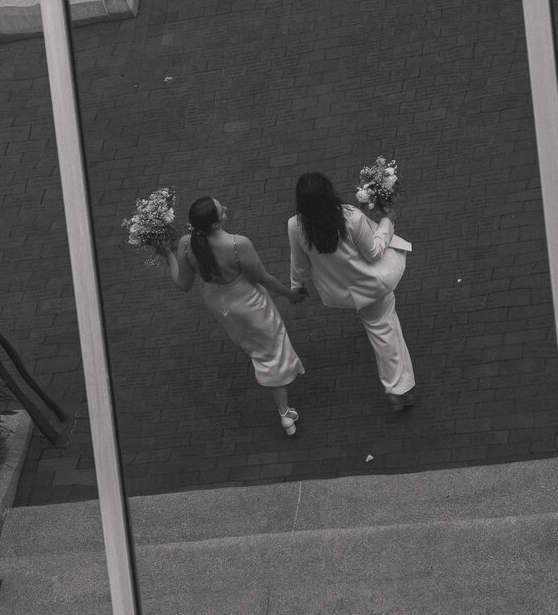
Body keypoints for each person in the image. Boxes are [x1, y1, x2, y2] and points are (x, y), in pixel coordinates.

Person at [168, 196, 305, 435]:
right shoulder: (237, 244)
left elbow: (183, 284)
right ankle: (284, 413)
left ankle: (283, 408)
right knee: (271, 351)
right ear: (214, 224)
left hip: (218, 302)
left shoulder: (185, 244)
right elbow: (263, 278)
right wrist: (290, 294)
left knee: (251, 343)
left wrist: (167, 255)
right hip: (247, 303)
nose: (226, 210)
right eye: (222, 211)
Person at [288, 171, 417, 411]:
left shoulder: (295, 225)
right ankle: (399, 390)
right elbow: (374, 252)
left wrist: (296, 286)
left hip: (341, 292)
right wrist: (387, 222)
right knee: (386, 333)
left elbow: (300, 264)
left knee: (377, 324)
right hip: (371, 286)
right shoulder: (350, 217)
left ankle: (398, 388)